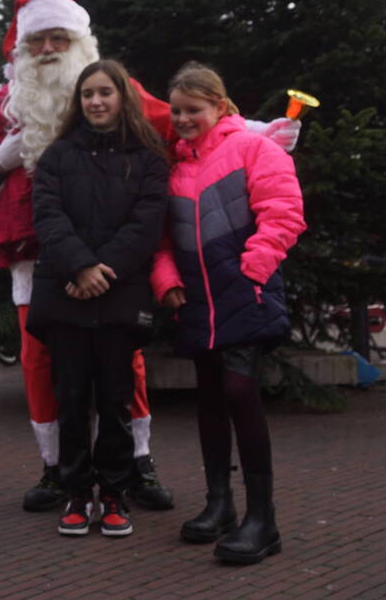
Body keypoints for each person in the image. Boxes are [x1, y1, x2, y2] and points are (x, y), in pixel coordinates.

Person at [0, 0, 300, 513]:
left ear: (79, 43)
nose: (49, 49)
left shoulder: (123, 94)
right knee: (41, 360)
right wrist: (0, 163)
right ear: (23, 47)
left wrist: (261, 133)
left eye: (60, 38)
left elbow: (183, 121)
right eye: (39, 40)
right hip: (44, 259)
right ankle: (56, 468)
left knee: (127, 364)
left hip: (119, 257)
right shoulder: (4, 106)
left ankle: (136, 463)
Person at [152, 62, 305, 564]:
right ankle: (220, 504)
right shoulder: (173, 169)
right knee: (211, 399)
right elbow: (162, 241)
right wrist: (167, 281)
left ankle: (263, 520)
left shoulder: (255, 149)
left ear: (220, 106)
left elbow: (283, 213)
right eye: (176, 111)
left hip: (243, 294)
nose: (182, 119)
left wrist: (252, 271)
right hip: (196, 302)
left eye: (193, 109)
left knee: (240, 391)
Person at [27, 59, 170, 537]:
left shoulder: (148, 158)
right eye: (87, 94)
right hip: (67, 294)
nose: (96, 102)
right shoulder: (57, 156)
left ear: (122, 97)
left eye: (105, 92)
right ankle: (74, 493)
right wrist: (79, 266)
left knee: (114, 401)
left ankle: (112, 494)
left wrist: (99, 271)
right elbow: (47, 215)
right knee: (70, 400)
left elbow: (146, 223)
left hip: (118, 295)